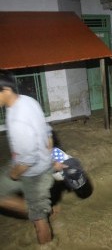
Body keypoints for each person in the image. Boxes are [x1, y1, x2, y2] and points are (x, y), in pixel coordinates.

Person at [0, 70, 54, 244]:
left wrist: (14, 175)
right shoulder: (28, 100)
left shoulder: (18, 121)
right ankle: (39, 208)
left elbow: (27, 161)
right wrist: (48, 153)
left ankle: (46, 240)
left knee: (39, 223)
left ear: (6, 89)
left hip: (32, 173)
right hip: (31, 163)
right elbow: (47, 130)